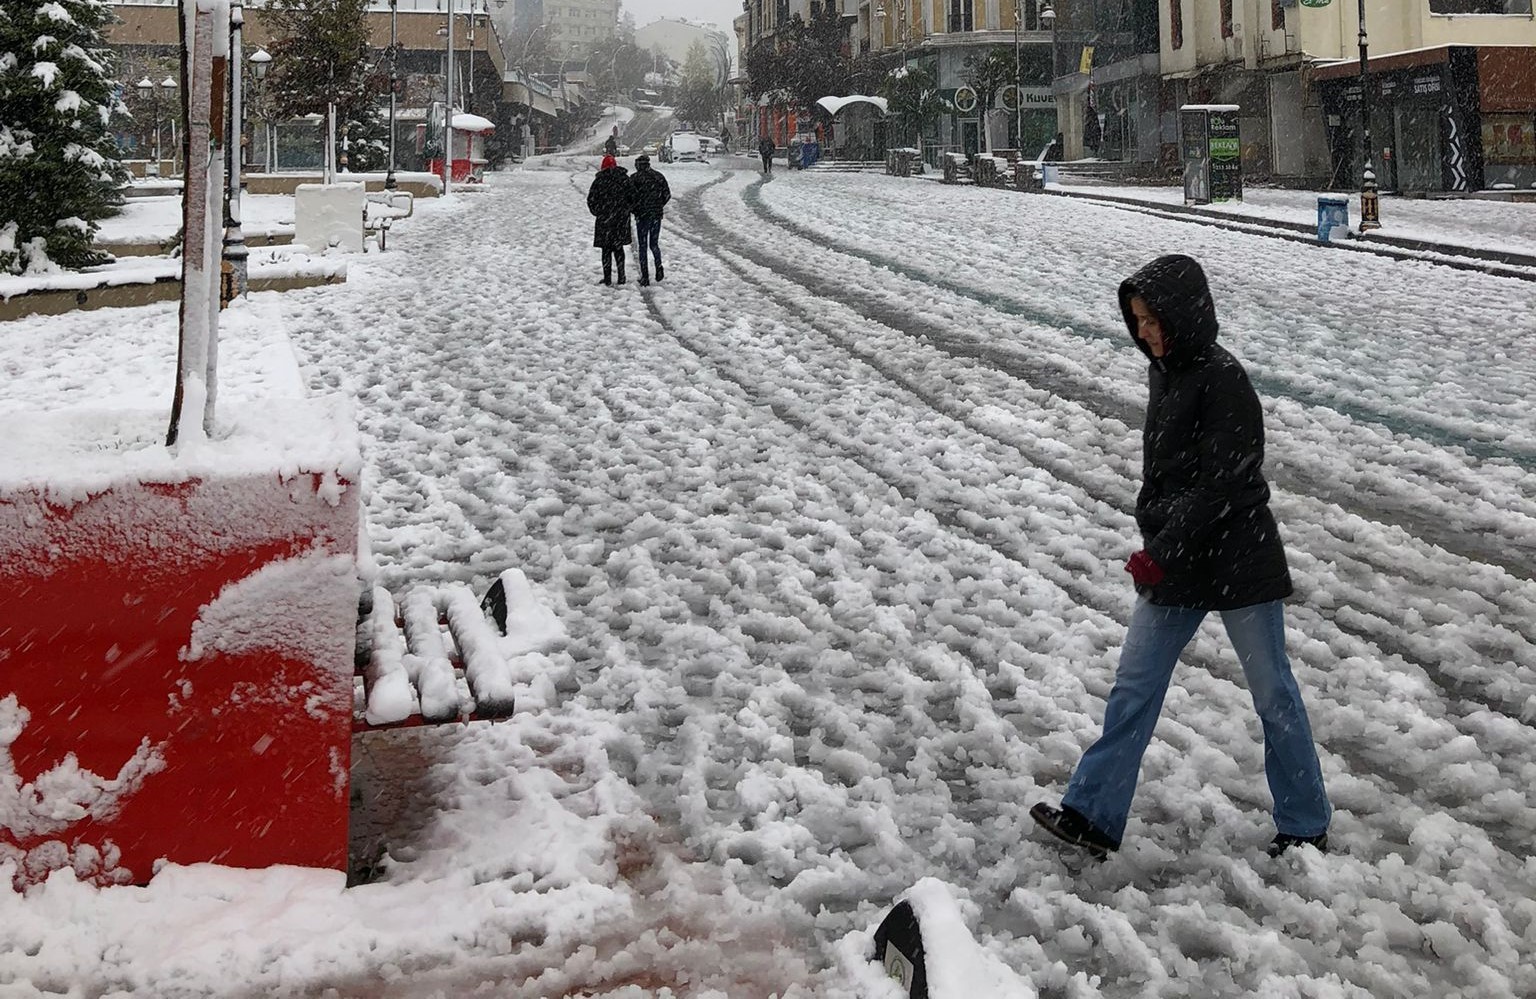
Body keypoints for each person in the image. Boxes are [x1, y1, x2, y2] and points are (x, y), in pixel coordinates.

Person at [1030, 254, 1331, 862]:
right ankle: (1092, 813)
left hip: (1237, 557)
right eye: (1136, 320)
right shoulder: (1165, 371)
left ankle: (1306, 824)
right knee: (1134, 688)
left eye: (1149, 320)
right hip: (1179, 559)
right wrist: (1154, 529)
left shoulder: (1224, 379)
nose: (1142, 332)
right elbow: (1165, 475)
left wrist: (1160, 549)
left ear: (1181, 315)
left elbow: (1223, 483)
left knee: (1273, 694)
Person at [586, 155, 632, 286]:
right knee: (618, 248)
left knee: (606, 249)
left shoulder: (599, 181)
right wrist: (625, 210)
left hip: (604, 220)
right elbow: (633, 197)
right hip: (621, 220)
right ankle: (621, 276)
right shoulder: (624, 179)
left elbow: (591, 200)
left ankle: (607, 278)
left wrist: (599, 212)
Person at [629, 154, 671, 287]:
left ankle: (645, 276)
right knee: (654, 244)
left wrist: (635, 209)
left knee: (642, 246)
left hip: (642, 217)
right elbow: (667, 194)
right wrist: (658, 205)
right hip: (656, 216)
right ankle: (659, 266)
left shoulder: (635, 178)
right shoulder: (658, 176)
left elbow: (629, 197)